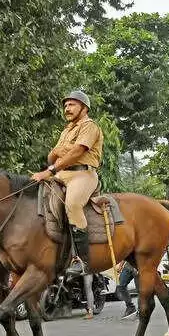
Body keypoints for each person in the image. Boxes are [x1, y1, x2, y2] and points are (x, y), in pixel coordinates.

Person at [31, 91, 104, 276]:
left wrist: (51, 169)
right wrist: (57, 154)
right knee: (34, 191)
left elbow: (77, 152)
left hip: (83, 174)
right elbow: (51, 156)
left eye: (71, 105)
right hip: (62, 173)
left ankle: (82, 261)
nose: (67, 108)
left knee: (72, 204)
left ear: (84, 108)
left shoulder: (89, 126)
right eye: (65, 105)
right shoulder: (66, 130)